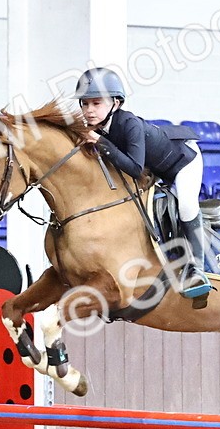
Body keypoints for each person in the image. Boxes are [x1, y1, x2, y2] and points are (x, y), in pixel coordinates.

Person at [74, 68, 210, 299]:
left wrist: (100, 142)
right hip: (154, 166)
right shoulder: (95, 128)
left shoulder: (129, 124)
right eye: (84, 104)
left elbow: (136, 169)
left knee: (186, 206)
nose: (89, 110)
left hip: (183, 161)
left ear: (116, 103)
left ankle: (197, 268)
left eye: (96, 103)